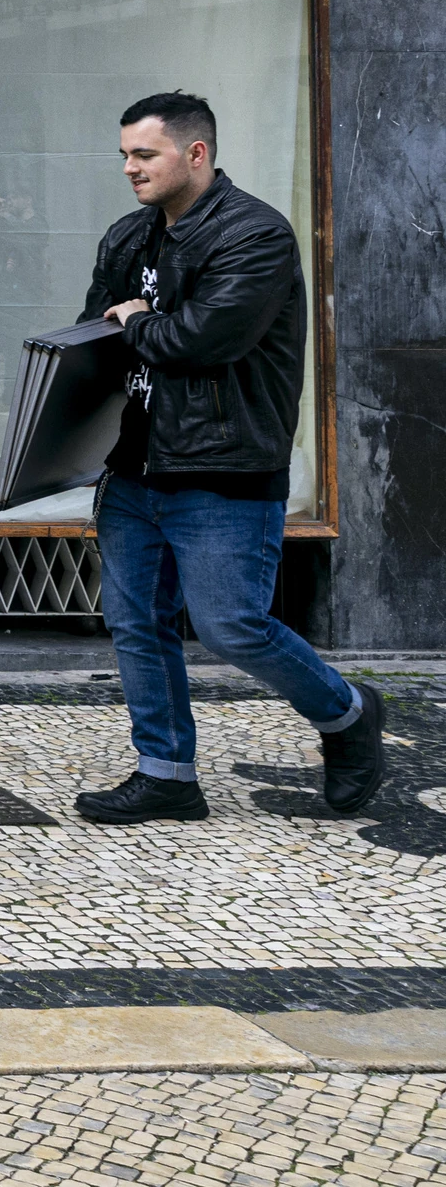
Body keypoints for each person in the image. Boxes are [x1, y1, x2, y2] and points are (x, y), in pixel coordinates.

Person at [71, 91, 384, 824]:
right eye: (125, 154)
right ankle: (167, 773)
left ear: (196, 154)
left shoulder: (256, 236)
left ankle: (345, 715)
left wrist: (141, 319)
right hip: (134, 463)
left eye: (143, 154)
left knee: (232, 625)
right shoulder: (131, 238)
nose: (129, 168)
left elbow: (202, 341)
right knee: (137, 623)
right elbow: (94, 327)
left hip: (224, 466)